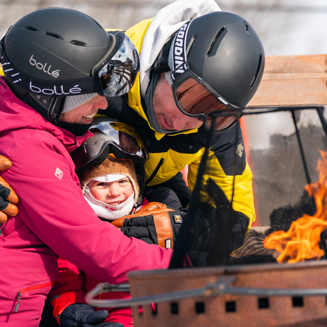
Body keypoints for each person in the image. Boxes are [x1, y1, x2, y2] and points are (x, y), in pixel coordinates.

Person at [0, 8, 181, 326]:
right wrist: (188, 264)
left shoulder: (31, 130)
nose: (101, 105)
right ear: (51, 94)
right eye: (91, 93)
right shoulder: (26, 146)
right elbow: (96, 247)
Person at [102, 0, 265, 253]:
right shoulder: (107, 69)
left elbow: (234, 212)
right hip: (84, 190)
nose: (179, 123)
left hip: (155, 189)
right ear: (163, 63)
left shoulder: (217, 123)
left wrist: (185, 230)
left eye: (210, 114)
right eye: (188, 97)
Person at [49, 118, 184, 327]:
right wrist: (71, 307)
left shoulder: (161, 215)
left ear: (136, 182)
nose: (114, 192)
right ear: (82, 187)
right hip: (102, 315)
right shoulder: (77, 227)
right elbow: (67, 277)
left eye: (122, 181)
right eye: (101, 184)